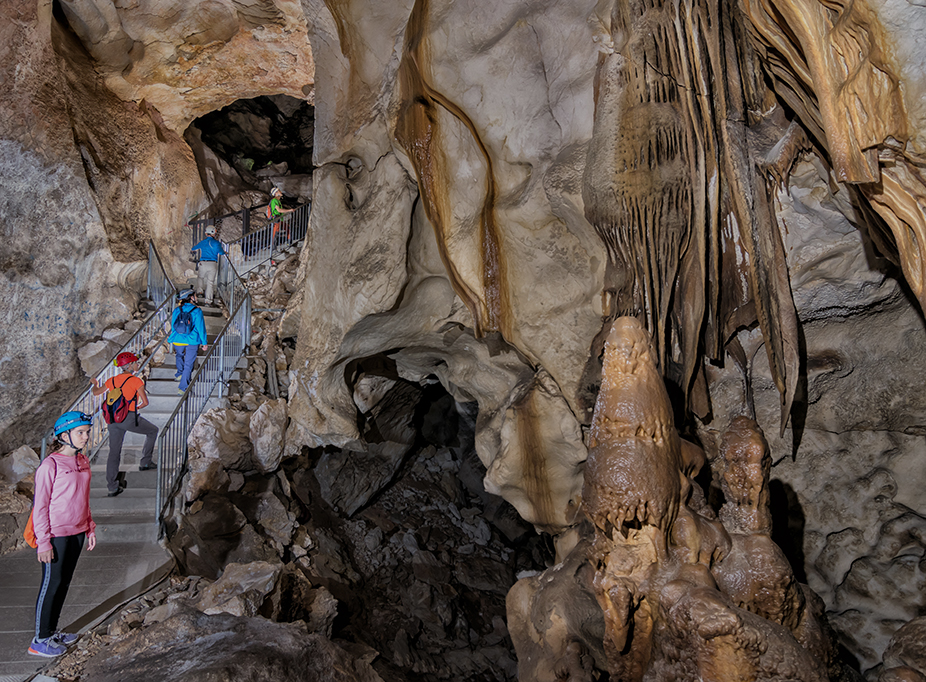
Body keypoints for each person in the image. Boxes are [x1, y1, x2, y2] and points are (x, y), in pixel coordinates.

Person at [28, 411, 96, 658]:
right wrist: (43, 542)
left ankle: (51, 632)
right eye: (80, 432)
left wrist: (90, 526)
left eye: (86, 432)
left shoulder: (83, 460)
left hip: (77, 531)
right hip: (55, 534)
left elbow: (82, 497)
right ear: (64, 435)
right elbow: (40, 506)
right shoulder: (50, 465)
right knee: (51, 584)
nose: (85, 437)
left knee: (64, 582)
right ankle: (39, 640)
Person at [90, 352, 159, 493]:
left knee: (114, 452)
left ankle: (112, 487)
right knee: (153, 431)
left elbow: (96, 392)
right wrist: (135, 408)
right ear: (129, 365)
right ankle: (145, 461)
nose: (137, 364)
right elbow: (145, 402)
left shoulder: (112, 380)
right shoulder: (136, 381)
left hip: (113, 420)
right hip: (129, 418)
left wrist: (95, 384)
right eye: (135, 362)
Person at [167, 289, 208, 394]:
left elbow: (173, 326)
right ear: (191, 297)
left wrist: (174, 337)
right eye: (195, 296)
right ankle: (183, 388)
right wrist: (204, 342)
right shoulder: (197, 311)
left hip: (178, 339)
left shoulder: (177, 310)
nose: (196, 298)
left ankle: (179, 374)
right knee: (188, 364)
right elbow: (201, 328)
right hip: (192, 340)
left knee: (179, 355)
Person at [191, 225, 226, 305]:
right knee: (210, 282)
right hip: (212, 264)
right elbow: (221, 252)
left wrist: (194, 250)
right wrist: (225, 252)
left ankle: (199, 292)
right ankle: (208, 300)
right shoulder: (216, 243)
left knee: (200, 277)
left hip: (203, 263)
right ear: (214, 233)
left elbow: (193, 248)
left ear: (206, 233)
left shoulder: (203, 242)